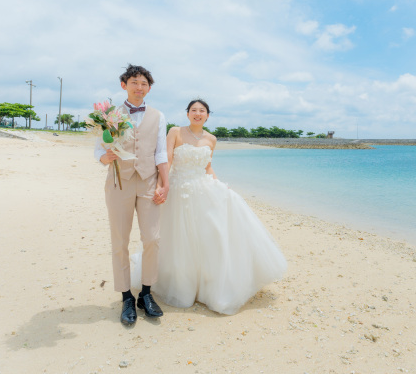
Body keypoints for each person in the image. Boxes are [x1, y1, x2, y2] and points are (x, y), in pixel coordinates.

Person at [152, 99, 287, 314]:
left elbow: (208, 166)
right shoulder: (175, 132)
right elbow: (166, 160)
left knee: (209, 234)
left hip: (203, 187)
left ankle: (208, 285)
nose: (197, 113)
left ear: (207, 115)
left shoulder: (211, 139)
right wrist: (162, 185)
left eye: (202, 111)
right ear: (187, 114)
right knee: (180, 238)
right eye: (193, 110)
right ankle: (182, 285)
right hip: (178, 189)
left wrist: (220, 184)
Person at [95, 64, 169, 326]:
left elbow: (161, 152)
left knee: (152, 238)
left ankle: (146, 293)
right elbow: (99, 150)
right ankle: (126, 296)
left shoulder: (158, 116)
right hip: (119, 182)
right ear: (124, 85)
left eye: (144, 83)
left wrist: (165, 183)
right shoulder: (110, 114)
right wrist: (106, 156)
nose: (139, 87)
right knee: (119, 241)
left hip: (149, 181)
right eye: (134, 82)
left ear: (149, 88)